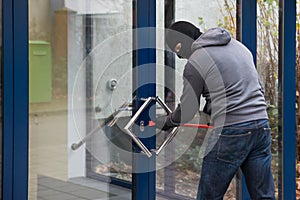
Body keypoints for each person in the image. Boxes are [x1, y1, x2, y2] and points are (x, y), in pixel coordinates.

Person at [155, 21, 275, 199]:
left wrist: (166, 122)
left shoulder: (196, 61)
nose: (181, 57)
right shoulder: (238, 46)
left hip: (231, 131)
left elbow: (188, 109)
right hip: (261, 126)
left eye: (177, 52)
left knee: (209, 195)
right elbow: (256, 87)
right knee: (264, 195)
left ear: (179, 45)